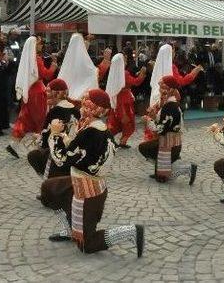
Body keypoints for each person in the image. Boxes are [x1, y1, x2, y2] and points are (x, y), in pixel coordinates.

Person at [39, 89, 145, 257]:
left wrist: (54, 134)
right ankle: (70, 230)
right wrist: (65, 136)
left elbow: (61, 160)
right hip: (82, 182)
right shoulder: (98, 129)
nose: (80, 105)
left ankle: (131, 232)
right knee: (50, 190)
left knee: (87, 245)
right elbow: (78, 147)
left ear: (93, 109)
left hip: (90, 193)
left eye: (85, 104)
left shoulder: (92, 132)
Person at [139, 75, 197, 184]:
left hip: (169, 146)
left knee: (161, 177)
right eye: (160, 87)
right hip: (171, 144)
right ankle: (162, 166)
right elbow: (165, 122)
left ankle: (187, 167)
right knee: (146, 148)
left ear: (171, 90)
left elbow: (159, 129)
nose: (161, 90)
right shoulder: (169, 104)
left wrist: (148, 120)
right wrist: (153, 116)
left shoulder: (170, 106)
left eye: (163, 87)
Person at [8, 36, 58, 158]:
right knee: (40, 120)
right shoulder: (37, 59)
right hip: (38, 92)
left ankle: (13, 144)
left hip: (29, 91)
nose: (42, 46)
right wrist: (53, 66)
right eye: (40, 44)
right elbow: (46, 75)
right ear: (35, 45)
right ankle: (39, 147)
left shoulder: (26, 58)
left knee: (25, 118)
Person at [27, 78, 80, 180]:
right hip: (73, 150)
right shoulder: (75, 109)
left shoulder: (55, 111)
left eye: (48, 92)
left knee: (33, 155)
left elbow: (46, 138)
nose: (46, 95)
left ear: (56, 94)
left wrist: (38, 138)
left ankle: (49, 182)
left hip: (58, 149)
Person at [106, 53, 146, 149]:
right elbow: (136, 82)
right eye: (124, 59)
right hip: (125, 101)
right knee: (128, 122)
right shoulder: (125, 73)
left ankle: (108, 138)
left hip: (117, 100)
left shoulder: (114, 72)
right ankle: (123, 141)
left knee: (115, 122)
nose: (126, 61)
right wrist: (142, 73)